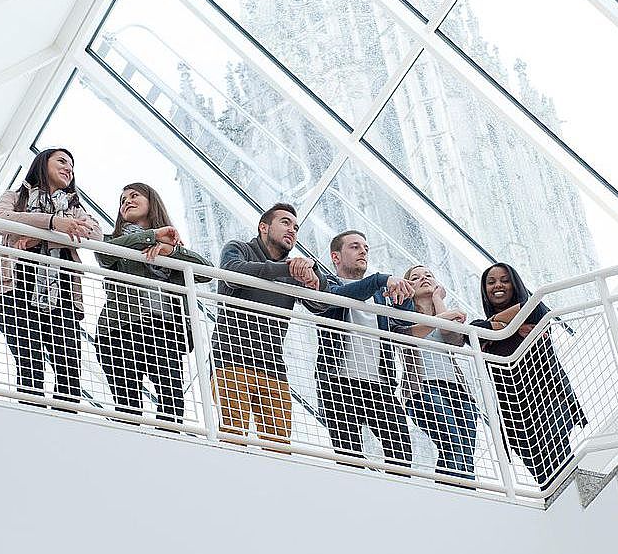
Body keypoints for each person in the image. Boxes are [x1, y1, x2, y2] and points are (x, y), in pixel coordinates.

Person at [0, 148, 102, 409]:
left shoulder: (74, 208)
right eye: (62, 161)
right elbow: (0, 221)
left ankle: (63, 424)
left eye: (72, 166)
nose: (69, 169)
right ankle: (31, 422)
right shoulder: (15, 196)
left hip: (62, 297)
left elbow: (96, 234)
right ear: (42, 163)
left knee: (70, 370)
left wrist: (39, 237)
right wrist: (53, 223)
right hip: (12, 290)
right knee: (30, 363)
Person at [95, 182, 212, 425]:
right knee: (128, 408)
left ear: (152, 202)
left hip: (163, 329)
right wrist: (152, 236)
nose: (126, 201)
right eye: (122, 200)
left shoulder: (172, 246)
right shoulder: (113, 240)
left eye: (134, 195)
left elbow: (206, 272)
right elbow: (104, 254)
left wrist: (172, 252)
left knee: (173, 404)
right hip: (119, 330)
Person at [210, 203, 326, 446]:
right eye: (285, 222)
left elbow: (320, 305)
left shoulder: (293, 270)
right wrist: (287, 269)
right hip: (231, 362)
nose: (292, 230)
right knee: (233, 439)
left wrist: (314, 273)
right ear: (263, 227)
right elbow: (233, 273)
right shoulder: (239, 248)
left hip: (274, 368)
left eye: (296, 227)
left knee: (280, 447)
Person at [472, 263, 587, 490]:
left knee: (558, 455)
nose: (498, 285)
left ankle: (577, 494)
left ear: (515, 283)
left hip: (549, 397)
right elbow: (473, 331)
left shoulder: (536, 309)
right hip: (514, 412)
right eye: (491, 282)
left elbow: (531, 306)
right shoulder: (480, 328)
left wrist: (499, 329)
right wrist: (512, 327)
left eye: (505, 280)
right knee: (543, 476)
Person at [314, 231, 417, 469]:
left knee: (402, 454)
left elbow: (404, 320)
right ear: (336, 257)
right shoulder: (327, 284)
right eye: (354, 246)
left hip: (380, 385)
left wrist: (404, 298)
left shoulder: (380, 294)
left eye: (366, 248)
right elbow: (338, 297)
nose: (363, 251)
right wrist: (381, 279)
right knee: (350, 457)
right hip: (339, 384)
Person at [400, 265, 478, 480]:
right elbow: (407, 336)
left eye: (428, 275)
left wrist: (437, 299)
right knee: (452, 444)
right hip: (423, 388)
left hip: (458, 389)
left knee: (465, 452)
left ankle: (461, 493)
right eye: (415, 277)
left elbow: (452, 337)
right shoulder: (403, 313)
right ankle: (460, 495)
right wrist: (448, 314)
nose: (423, 278)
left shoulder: (443, 310)